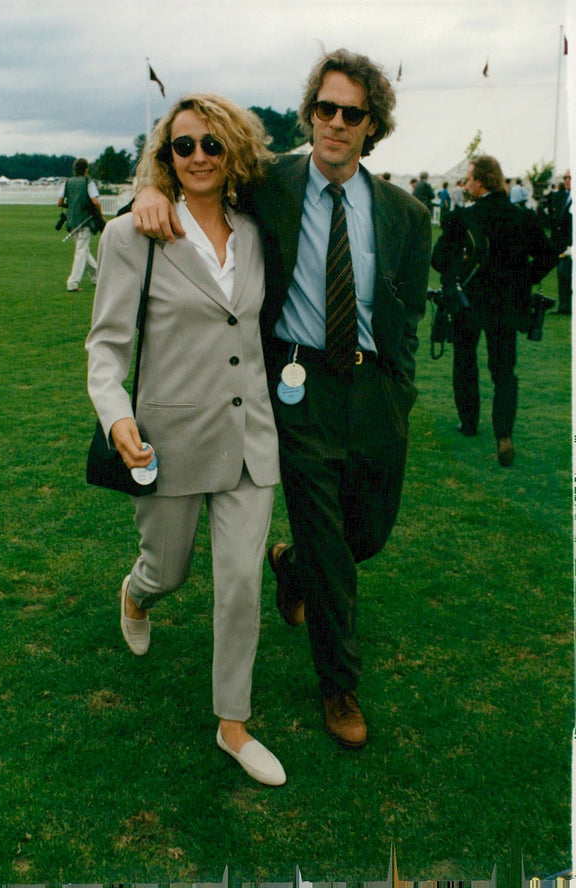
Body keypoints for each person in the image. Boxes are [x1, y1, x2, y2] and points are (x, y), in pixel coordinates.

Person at [132, 48, 431, 750]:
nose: (333, 122)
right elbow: (193, 175)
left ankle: (290, 567)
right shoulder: (270, 183)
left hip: (375, 388)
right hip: (294, 388)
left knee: (367, 536)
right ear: (311, 113)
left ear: (371, 126)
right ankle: (339, 685)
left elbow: (407, 313)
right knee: (331, 541)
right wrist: (148, 186)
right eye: (323, 108)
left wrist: (403, 391)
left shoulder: (406, 215)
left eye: (349, 113)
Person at [86, 93, 286, 785]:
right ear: (165, 156)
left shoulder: (257, 231)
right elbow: (107, 348)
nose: (198, 156)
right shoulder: (131, 235)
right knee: (169, 570)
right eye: (182, 146)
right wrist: (116, 417)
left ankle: (233, 725)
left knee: (240, 585)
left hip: (249, 440)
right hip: (166, 443)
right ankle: (137, 594)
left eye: (211, 144)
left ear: (233, 150)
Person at [431, 155, 559, 465]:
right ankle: (503, 434)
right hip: (507, 305)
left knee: (465, 362)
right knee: (504, 371)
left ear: (481, 180)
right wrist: (524, 281)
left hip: (469, 302)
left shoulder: (464, 217)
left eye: (470, 178)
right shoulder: (522, 217)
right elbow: (548, 256)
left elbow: (438, 259)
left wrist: (458, 273)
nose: (466, 183)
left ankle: (469, 422)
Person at [58, 158, 104, 292]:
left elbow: (60, 202)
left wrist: (71, 206)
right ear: (86, 169)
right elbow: (95, 201)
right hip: (84, 220)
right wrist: (100, 215)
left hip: (72, 221)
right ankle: (72, 283)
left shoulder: (68, 182)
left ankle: (97, 277)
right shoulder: (87, 182)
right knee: (81, 251)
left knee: (83, 250)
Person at [549, 170, 572, 315]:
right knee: (563, 275)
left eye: (570, 177)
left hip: (571, 243)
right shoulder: (564, 197)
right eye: (565, 177)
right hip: (563, 244)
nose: (567, 180)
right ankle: (564, 306)